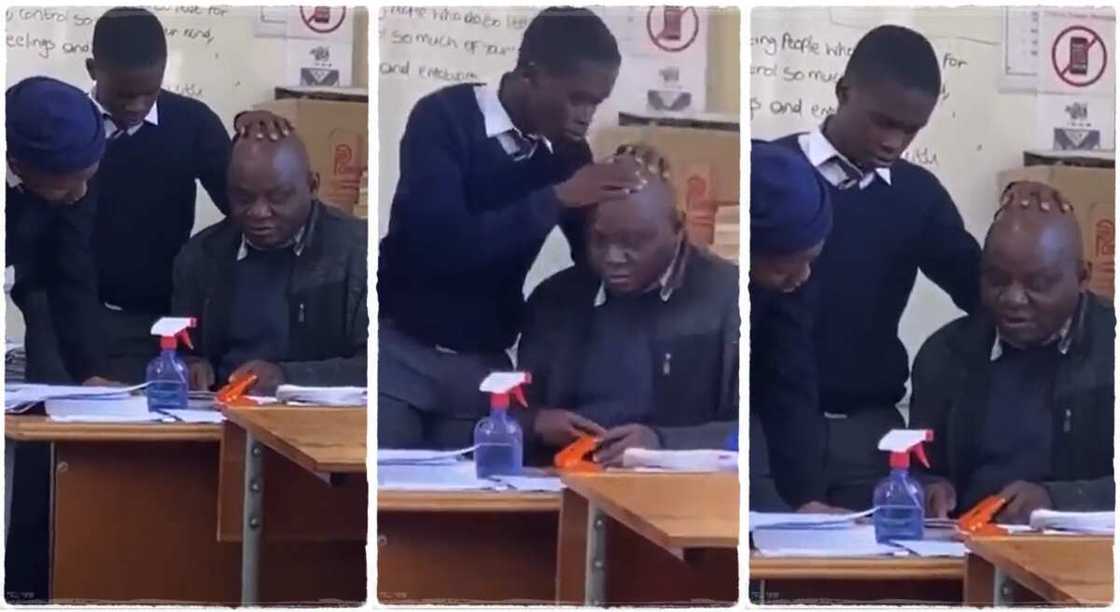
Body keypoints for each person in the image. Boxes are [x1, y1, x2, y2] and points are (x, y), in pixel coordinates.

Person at [378, 6, 646, 449]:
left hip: (484, 369)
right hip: (402, 355)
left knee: (468, 505)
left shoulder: (568, 154)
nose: (586, 118)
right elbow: (439, 245)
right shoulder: (443, 119)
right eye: (577, 99)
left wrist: (631, 192)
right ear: (530, 75)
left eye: (595, 104)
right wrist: (557, 197)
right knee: (387, 495)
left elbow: (596, 263)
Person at [769, 25, 985, 510]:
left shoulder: (917, 197)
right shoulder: (769, 172)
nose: (894, 142)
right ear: (844, 92)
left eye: (911, 130)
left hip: (869, 437)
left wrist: (1017, 208)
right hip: (767, 428)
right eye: (883, 122)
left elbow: (988, 294)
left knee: (880, 574)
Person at [22, 7, 291, 384]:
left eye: (149, 92)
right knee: (54, 427)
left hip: (163, 321)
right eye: (123, 94)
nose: (136, 106)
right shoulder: (68, 128)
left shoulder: (191, 123)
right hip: (67, 314)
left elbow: (243, 207)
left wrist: (248, 135)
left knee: (159, 431)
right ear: (92, 69)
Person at [516, 144, 736, 466]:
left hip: (678, 491)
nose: (614, 257)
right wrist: (534, 422)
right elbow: (508, 408)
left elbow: (748, 434)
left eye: (634, 242)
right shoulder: (555, 298)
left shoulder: (729, 298)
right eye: (600, 240)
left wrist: (663, 444)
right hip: (566, 481)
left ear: (678, 229)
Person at [911, 183, 1114, 524]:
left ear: (1082, 277)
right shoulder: (945, 354)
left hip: (1083, 556)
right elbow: (919, 464)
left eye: (1038, 284)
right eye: (997, 280)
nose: (1013, 299)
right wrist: (929, 488)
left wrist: (1057, 500)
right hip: (968, 547)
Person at [5, 76, 110, 602]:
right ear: (18, 164)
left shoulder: (70, 185)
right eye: (69, 183)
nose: (82, 192)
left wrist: (90, 370)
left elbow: (69, 277)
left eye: (89, 177)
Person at [171, 132, 367, 395]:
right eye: (243, 198)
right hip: (222, 416)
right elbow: (181, 346)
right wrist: (190, 366)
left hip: (312, 422)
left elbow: (378, 366)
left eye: (278, 197)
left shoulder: (357, 251)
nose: (259, 212)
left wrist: (287, 378)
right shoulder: (202, 253)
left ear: (312, 186)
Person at [748, 141, 837, 513]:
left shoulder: (788, 286)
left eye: (811, 260)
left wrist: (807, 499)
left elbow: (790, 383)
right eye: (787, 264)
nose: (803, 277)